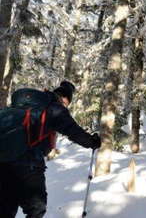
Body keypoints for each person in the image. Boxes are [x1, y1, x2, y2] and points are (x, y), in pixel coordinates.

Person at [0, 81, 101, 218]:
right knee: (36, 208)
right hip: (29, 165)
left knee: (6, 207)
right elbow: (72, 130)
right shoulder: (54, 108)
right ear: (65, 99)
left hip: (4, 163)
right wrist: (92, 142)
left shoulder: (21, 106)